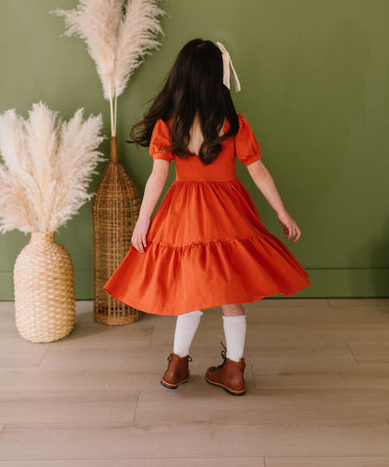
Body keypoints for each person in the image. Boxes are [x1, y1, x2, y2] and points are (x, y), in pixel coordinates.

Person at [103, 38, 312, 396]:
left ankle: (176, 366)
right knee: (231, 293)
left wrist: (143, 220)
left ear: (181, 77)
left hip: (185, 214)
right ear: (218, 78)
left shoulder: (169, 125)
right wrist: (281, 212)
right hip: (229, 214)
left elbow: (158, 176)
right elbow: (258, 171)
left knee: (192, 292)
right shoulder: (232, 123)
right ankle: (233, 371)